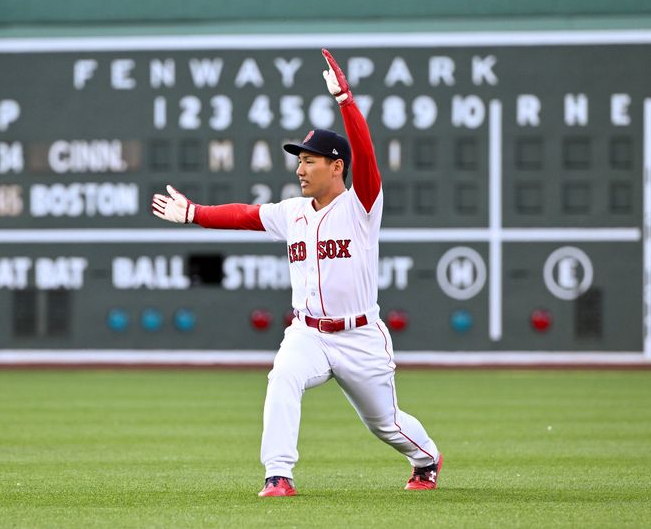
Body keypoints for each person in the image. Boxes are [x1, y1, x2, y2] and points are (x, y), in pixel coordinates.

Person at [152, 48, 441, 497]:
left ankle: (426, 459)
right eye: (299, 159)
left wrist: (346, 101)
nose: (299, 167)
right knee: (283, 376)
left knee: (385, 424)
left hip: (360, 335)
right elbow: (245, 214)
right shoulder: (293, 213)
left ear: (336, 166)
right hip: (307, 331)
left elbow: (365, 154)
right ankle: (278, 475)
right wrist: (193, 212)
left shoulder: (362, 206)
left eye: (309, 160)